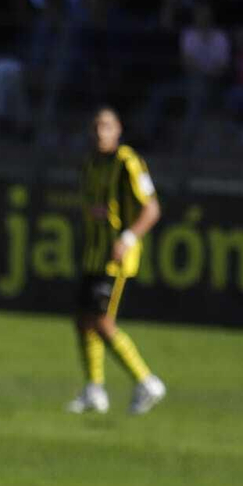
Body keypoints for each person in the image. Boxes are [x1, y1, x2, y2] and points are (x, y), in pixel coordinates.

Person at [66, 107, 167, 416]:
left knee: (102, 322)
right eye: (96, 127)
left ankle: (146, 381)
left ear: (118, 129)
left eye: (106, 126)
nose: (100, 133)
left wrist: (127, 238)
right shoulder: (89, 165)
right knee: (83, 321)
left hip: (116, 258)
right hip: (93, 253)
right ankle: (94, 390)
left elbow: (152, 209)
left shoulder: (128, 163)